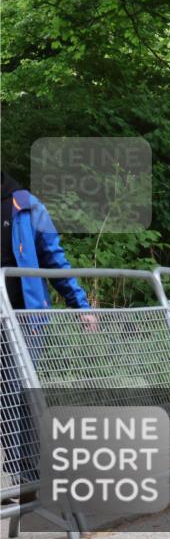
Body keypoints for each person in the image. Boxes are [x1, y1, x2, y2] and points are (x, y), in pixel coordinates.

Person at [2, 171, 96, 492]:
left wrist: (80, 305)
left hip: (25, 318)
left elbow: (53, 260)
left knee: (18, 392)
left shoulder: (26, 206)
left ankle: (24, 476)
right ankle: (20, 475)